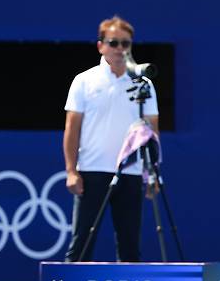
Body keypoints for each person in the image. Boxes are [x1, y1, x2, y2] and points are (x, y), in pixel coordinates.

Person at [63, 15, 159, 262]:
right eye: (113, 43)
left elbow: (152, 134)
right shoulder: (84, 81)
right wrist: (72, 171)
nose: (119, 49)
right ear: (100, 45)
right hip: (92, 171)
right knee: (81, 244)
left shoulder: (143, 83)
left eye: (125, 44)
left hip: (132, 172)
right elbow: (72, 129)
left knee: (129, 247)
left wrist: (153, 174)